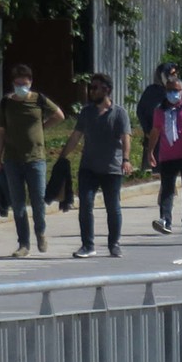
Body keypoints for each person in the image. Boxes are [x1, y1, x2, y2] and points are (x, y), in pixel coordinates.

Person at [58, 71, 133, 258]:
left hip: (112, 168)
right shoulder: (86, 112)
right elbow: (76, 137)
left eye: (95, 88)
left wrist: (126, 159)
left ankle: (114, 244)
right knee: (85, 204)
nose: (92, 91)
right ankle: (87, 246)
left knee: (112, 206)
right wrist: (63, 157)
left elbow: (126, 138)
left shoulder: (119, 113)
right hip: (88, 168)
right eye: (91, 88)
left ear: (106, 90)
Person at [0, 63, 63, 256]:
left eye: (24, 83)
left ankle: (40, 232)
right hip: (12, 159)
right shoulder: (6, 103)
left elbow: (59, 115)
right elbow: (0, 132)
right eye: (17, 83)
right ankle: (23, 243)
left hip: (36, 159)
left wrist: (42, 127)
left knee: (38, 200)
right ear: (13, 84)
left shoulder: (39, 100)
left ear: (30, 82)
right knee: (18, 203)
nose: (21, 87)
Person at [144, 71, 182, 235]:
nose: (173, 93)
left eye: (176, 90)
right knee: (167, 189)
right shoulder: (160, 110)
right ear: (166, 91)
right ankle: (165, 220)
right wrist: (150, 152)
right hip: (167, 155)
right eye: (170, 90)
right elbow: (155, 131)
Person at [135, 62, 176, 172]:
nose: (174, 76)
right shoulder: (151, 91)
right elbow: (141, 111)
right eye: (171, 74)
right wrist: (147, 129)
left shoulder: (177, 90)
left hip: (174, 139)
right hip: (155, 137)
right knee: (157, 170)